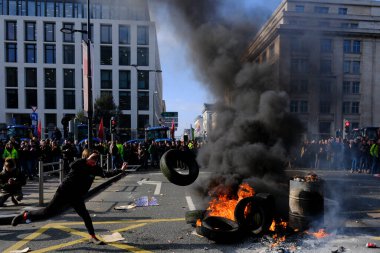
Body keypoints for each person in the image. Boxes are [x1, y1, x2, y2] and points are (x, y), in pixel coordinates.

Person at [11, 149, 128, 245]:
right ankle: (25, 215)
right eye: (92, 158)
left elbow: (106, 174)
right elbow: (72, 164)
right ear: (87, 157)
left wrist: (120, 170)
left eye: (96, 159)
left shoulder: (95, 169)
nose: (94, 161)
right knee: (47, 213)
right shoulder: (79, 164)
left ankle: (92, 237)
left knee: (86, 216)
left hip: (76, 196)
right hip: (64, 192)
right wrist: (86, 160)